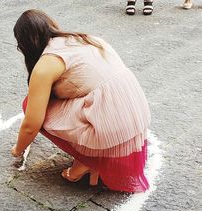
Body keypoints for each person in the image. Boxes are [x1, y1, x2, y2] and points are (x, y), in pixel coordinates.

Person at [11, 10, 151, 193]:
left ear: (25, 44)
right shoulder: (85, 38)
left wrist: (18, 149)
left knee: (30, 105)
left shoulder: (45, 65)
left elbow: (31, 123)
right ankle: (92, 156)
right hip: (136, 115)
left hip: (111, 126)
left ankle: (89, 160)